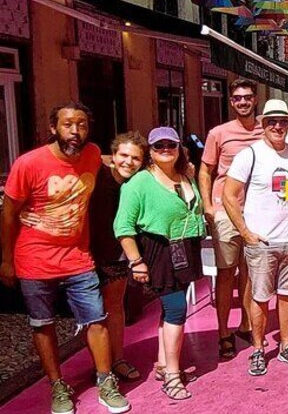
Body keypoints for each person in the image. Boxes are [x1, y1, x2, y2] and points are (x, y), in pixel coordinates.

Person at [0, 102, 130, 414]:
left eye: (82, 125)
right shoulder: (29, 164)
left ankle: (105, 379)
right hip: (34, 259)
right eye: (68, 124)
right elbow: (8, 212)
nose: (75, 131)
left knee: (95, 319)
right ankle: (58, 385)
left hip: (78, 257)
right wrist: (6, 259)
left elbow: (119, 164)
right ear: (53, 128)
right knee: (42, 324)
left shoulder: (92, 154)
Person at [114, 126, 204, 401]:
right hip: (159, 249)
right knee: (177, 307)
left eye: (171, 145)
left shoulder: (185, 175)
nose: (165, 150)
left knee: (169, 310)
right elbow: (123, 227)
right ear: (150, 152)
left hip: (185, 248)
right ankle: (174, 376)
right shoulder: (140, 182)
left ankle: (164, 364)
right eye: (158, 146)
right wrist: (136, 262)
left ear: (179, 148)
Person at [223, 100, 288, 376]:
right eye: (272, 121)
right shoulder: (250, 155)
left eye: (283, 121)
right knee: (259, 299)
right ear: (263, 124)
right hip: (262, 243)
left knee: (287, 297)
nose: (277, 126)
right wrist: (246, 234)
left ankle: (285, 346)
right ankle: (258, 350)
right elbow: (229, 195)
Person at [199, 78, 262, 360]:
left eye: (247, 97)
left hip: (258, 212)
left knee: (250, 273)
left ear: (255, 99)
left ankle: (246, 324)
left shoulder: (268, 128)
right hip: (225, 212)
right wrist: (207, 206)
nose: (243, 102)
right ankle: (223, 332)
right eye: (237, 98)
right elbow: (205, 171)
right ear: (231, 102)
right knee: (226, 274)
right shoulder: (218, 133)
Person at [89, 131, 147, 382]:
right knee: (91, 313)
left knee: (114, 308)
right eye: (124, 155)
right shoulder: (96, 175)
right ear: (113, 156)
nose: (129, 162)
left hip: (117, 254)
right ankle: (100, 366)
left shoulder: (138, 184)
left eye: (135, 158)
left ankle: (118, 359)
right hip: (86, 253)